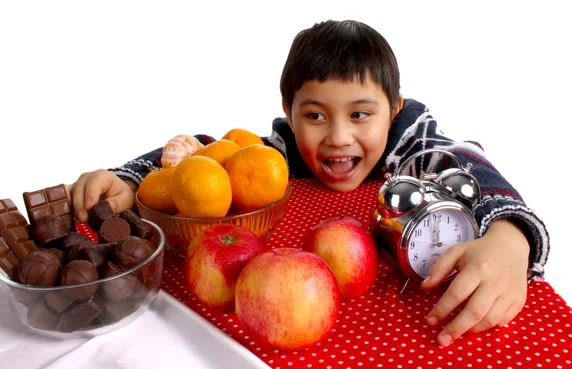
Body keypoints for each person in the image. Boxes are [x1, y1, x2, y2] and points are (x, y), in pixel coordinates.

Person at [67, 20, 549, 347]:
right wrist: (131, 179)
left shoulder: (411, 139)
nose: (338, 138)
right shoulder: (281, 151)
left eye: (361, 114)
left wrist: (510, 238)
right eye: (315, 115)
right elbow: (208, 151)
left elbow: (466, 161)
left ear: (395, 109)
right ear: (290, 113)